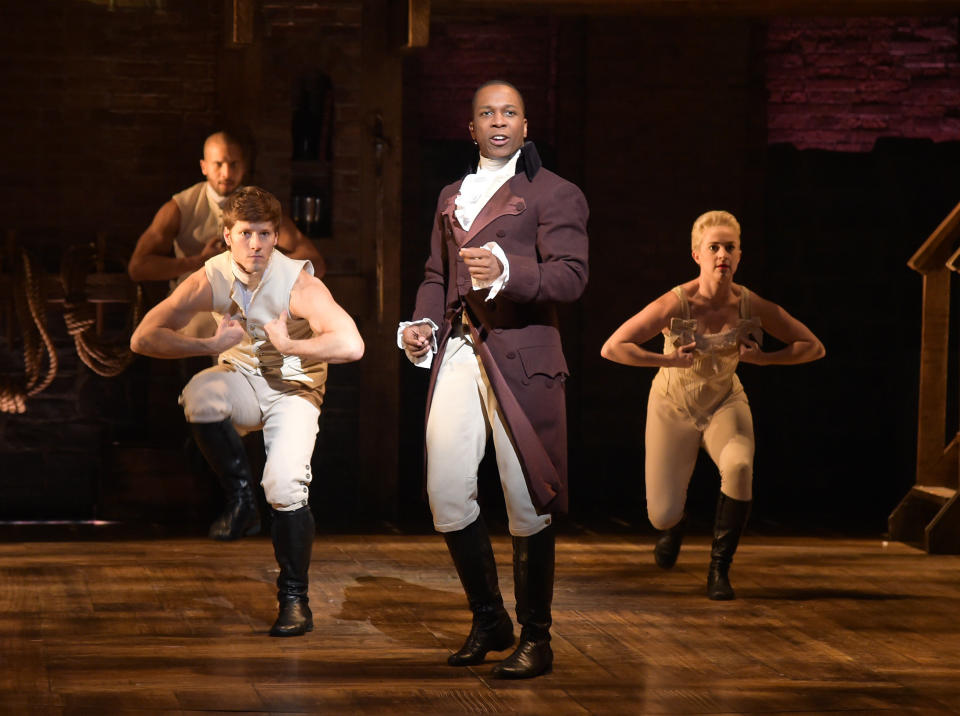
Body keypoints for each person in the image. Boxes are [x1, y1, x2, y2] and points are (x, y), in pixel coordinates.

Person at [400, 80, 588, 679]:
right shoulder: (450, 196)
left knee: (526, 494)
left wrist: (510, 269)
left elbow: (572, 277)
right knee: (447, 491)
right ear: (472, 127)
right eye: (487, 113)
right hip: (460, 348)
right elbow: (437, 272)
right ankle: (490, 618)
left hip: (521, 355)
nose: (499, 121)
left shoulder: (554, 193)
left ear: (526, 126)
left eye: (510, 113)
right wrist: (422, 323)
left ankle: (537, 636)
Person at [130, 186, 363, 636]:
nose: (254, 244)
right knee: (200, 394)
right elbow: (143, 337)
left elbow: (352, 344)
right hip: (244, 381)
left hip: (294, 390)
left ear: (276, 237)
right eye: (245, 233)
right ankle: (240, 501)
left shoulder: (298, 282)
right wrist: (208, 345)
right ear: (226, 235)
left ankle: (294, 599)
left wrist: (292, 343)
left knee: (283, 485)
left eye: (265, 234)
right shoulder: (212, 275)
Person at [600, 210, 824, 600]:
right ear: (697, 255)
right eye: (714, 247)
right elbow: (613, 347)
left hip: (724, 401)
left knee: (739, 467)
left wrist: (766, 360)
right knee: (661, 514)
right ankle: (676, 523)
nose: (722, 254)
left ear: (739, 256)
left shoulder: (750, 304)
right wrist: (667, 360)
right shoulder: (677, 302)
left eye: (730, 248)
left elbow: (813, 346)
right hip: (673, 404)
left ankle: (719, 570)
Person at [129, 131, 326, 540]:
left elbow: (313, 260)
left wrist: (278, 285)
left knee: (266, 427)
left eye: (234, 163)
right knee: (199, 408)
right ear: (204, 166)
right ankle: (226, 504)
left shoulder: (261, 216)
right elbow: (139, 266)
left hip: (252, 340)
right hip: (199, 330)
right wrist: (193, 263)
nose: (226, 172)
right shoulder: (180, 207)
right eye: (218, 163)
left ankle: (261, 509)